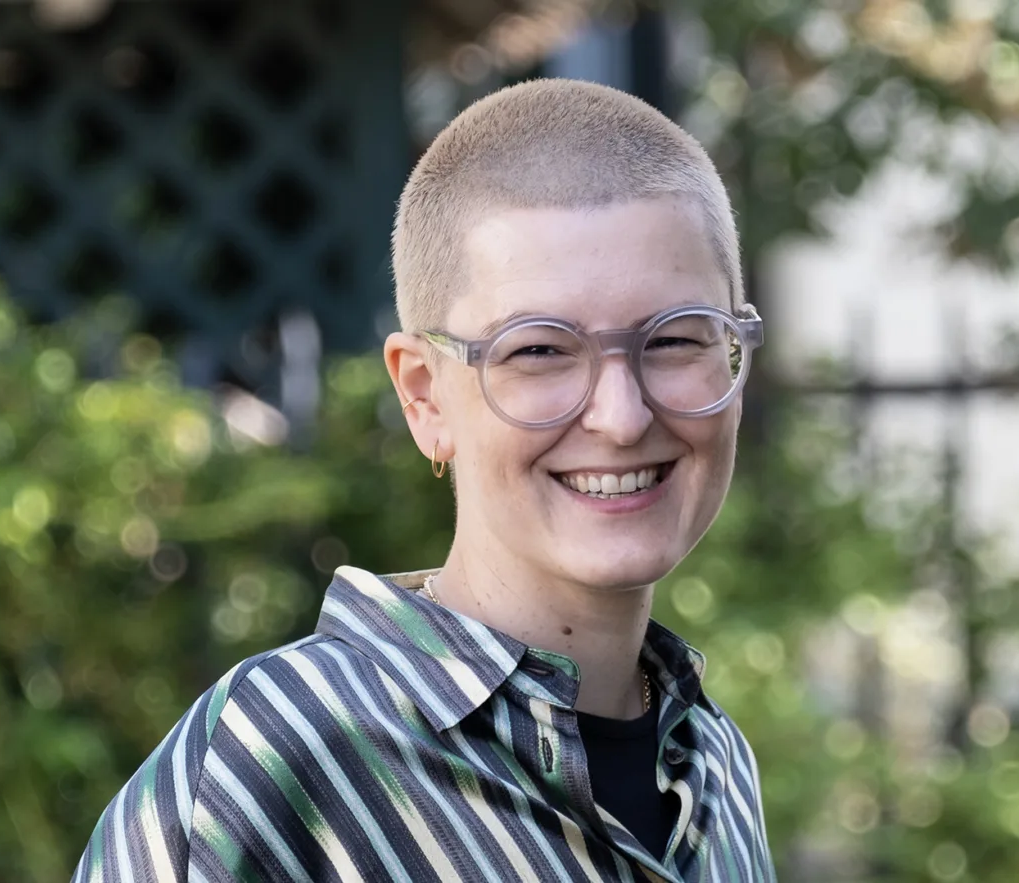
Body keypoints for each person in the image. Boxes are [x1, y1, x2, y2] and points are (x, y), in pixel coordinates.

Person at [73, 77, 774, 882]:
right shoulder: (271, 764)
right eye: (538, 350)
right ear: (423, 394)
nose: (619, 416)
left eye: (677, 338)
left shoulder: (714, 768)